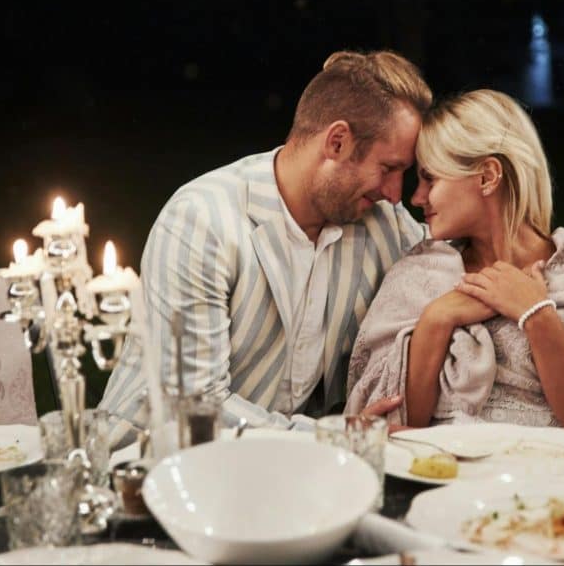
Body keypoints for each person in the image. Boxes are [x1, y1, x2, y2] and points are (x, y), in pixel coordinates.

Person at [99, 50, 433, 433]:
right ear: (337, 142)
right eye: (389, 169)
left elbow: (450, 266)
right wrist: (335, 438)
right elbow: (194, 407)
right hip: (150, 468)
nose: (395, 194)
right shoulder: (202, 219)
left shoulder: (383, 223)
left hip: (280, 474)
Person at [345, 89, 564, 437]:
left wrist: (537, 315)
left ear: (488, 176)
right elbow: (382, 430)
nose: (416, 197)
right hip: (436, 481)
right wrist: (437, 319)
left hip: (557, 486)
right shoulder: (418, 274)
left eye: (431, 178)